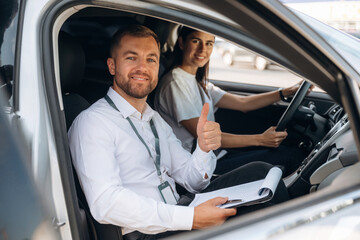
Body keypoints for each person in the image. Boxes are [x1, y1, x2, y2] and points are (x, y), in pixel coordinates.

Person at [68, 25, 288, 240]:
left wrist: (203, 148)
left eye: (151, 59)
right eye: (131, 58)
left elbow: (193, 181)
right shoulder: (92, 122)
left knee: (261, 174)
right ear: (112, 66)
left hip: (179, 208)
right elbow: (106, 203)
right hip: (148, 231)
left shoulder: (153, 119)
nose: (142, 67)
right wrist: (190, 218)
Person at [154, 27, 309, 176]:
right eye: (196, 41)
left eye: (209, 43)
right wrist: (260, 140)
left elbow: (243, 103)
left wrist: (284, 93)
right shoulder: (175, 83)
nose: (203, 49)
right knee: (291, 157)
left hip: (216, 156)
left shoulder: (198, 82)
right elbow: (205, 136)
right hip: (199, 167)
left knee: (287, 149)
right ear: (181, 43)